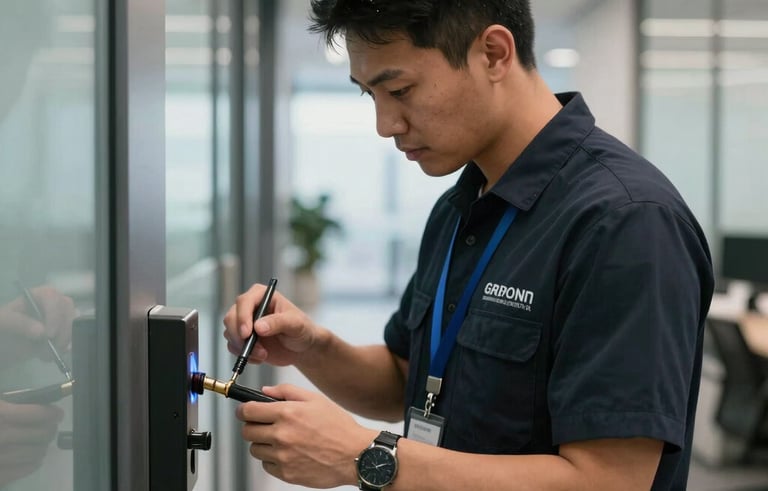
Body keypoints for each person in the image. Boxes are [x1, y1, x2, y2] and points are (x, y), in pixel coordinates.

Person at [223, 1, 715, 489]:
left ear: (495, 54)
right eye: (369, 95)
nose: (385, 124)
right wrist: (313, 346)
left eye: (400, 90)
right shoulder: (460, 209)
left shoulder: (625, 222)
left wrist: (364, 457)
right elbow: (407, 380)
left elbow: (609, 482)